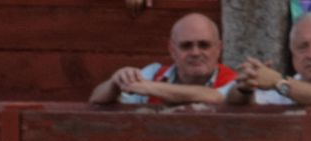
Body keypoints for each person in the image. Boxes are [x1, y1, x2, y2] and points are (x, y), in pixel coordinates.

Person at [89, 13, 237, 107]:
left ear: (218, 49)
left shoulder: (236, 83)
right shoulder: (153, 73)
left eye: (204, 45)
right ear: (172, 50)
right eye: (186, 46)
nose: (195, 52)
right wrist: (115, 82)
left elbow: (214, 97)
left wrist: (150, 88)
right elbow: (96, 99)